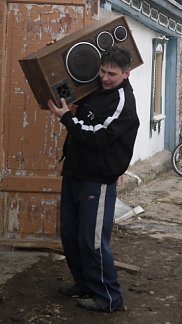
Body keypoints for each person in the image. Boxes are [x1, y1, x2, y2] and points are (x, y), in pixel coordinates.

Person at [48, 46, 139, 312]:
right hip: (75, 173)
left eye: (112, 74)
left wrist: (67, 119)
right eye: (102, 71)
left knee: (93, 240)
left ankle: (109, 297)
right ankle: (85, 284)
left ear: (126, 73)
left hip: (97, 179)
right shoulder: (97, 90)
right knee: (70, 235)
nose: (105, 78)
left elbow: (98, 136)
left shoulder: (122, 101)